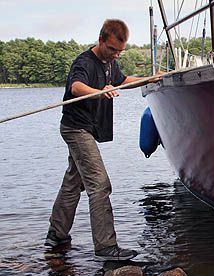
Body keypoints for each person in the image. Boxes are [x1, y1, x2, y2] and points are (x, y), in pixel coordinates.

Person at [45, 19, 159, 261]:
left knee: (73, 183)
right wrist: (98, 91)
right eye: (112, 49)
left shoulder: (109, 63)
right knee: (99, 184)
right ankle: (106, 246)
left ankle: (56, 234)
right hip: (76, 129)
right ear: (101, 41)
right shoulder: (84, 62)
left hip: (86, 129)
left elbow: (122, 80)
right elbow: (76, 87)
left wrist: (149, 78)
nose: (116, 55)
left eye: (120, 51)